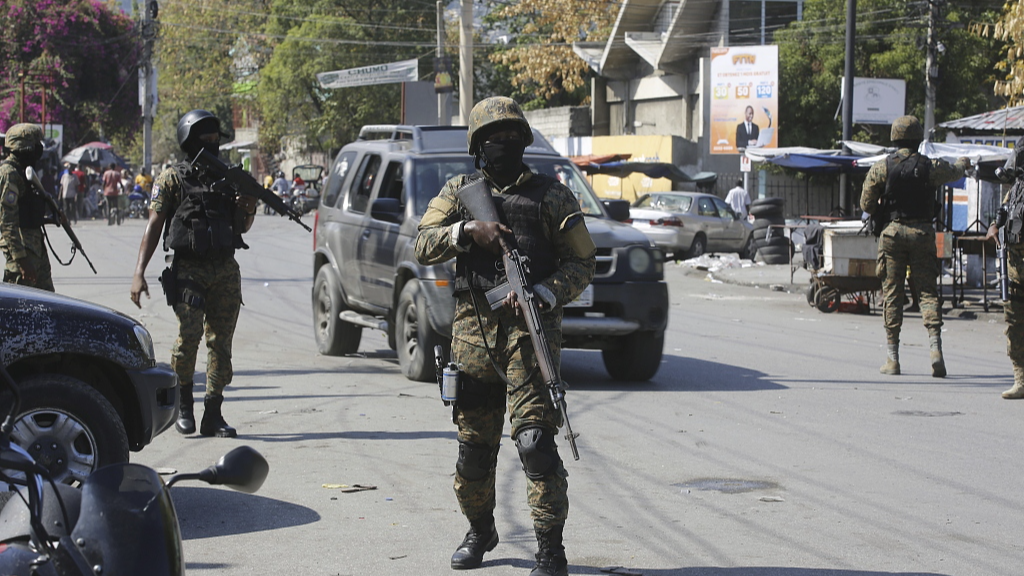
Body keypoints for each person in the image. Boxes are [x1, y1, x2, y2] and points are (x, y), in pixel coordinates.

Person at [415, 96, 596, 576]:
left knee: (536, 443)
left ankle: (550, 549)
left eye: (514, 137)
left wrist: (545, 292)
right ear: (478, 146)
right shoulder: (458, 191)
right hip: (472, 342)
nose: (507, 145)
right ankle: (480, 531)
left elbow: (583, 261)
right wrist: (466, 231)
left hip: (529, 340)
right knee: (474, 452)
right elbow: (422, 242)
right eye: (496, 138)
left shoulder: (552, 195)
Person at [129, 109, 258, 438]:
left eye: (216, 139)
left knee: (221, 345)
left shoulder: (229, 179)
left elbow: (241, 227)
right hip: (189, 269)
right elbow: (154, 225)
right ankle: (184, 405)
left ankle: (213, 412)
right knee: (188, 340)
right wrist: (138, 272)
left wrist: (248, 208)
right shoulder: (173, 178)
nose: (213, 144)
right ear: (190, 141)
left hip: (226, 269)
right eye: (206, 139)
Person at [859, 115, 969, 378]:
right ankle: (935, 352)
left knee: (893, 294)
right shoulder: (930, 166)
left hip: (892, 235)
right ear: (918, 138)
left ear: (895, 138)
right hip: (922, 232)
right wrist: (962, 162)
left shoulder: (882, 167)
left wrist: (883, 210)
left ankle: (893, 358)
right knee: (928, 292)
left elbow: (866, 204)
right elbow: (954, 171)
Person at [986, 137, 1024, 398]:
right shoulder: (1017, 187)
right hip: (1015, 269)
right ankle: (1020, 380)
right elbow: (1004, 212)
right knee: (1014, 324)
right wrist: (994, 226)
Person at [0, 123, 55, 291]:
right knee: (19, 308)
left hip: (36, 249)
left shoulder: (25, 171)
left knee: (47, 304)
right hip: (24, 253)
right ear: (25, 147)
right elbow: (7, 221)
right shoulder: (10, 174)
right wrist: (21, 259)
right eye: (35, 144)